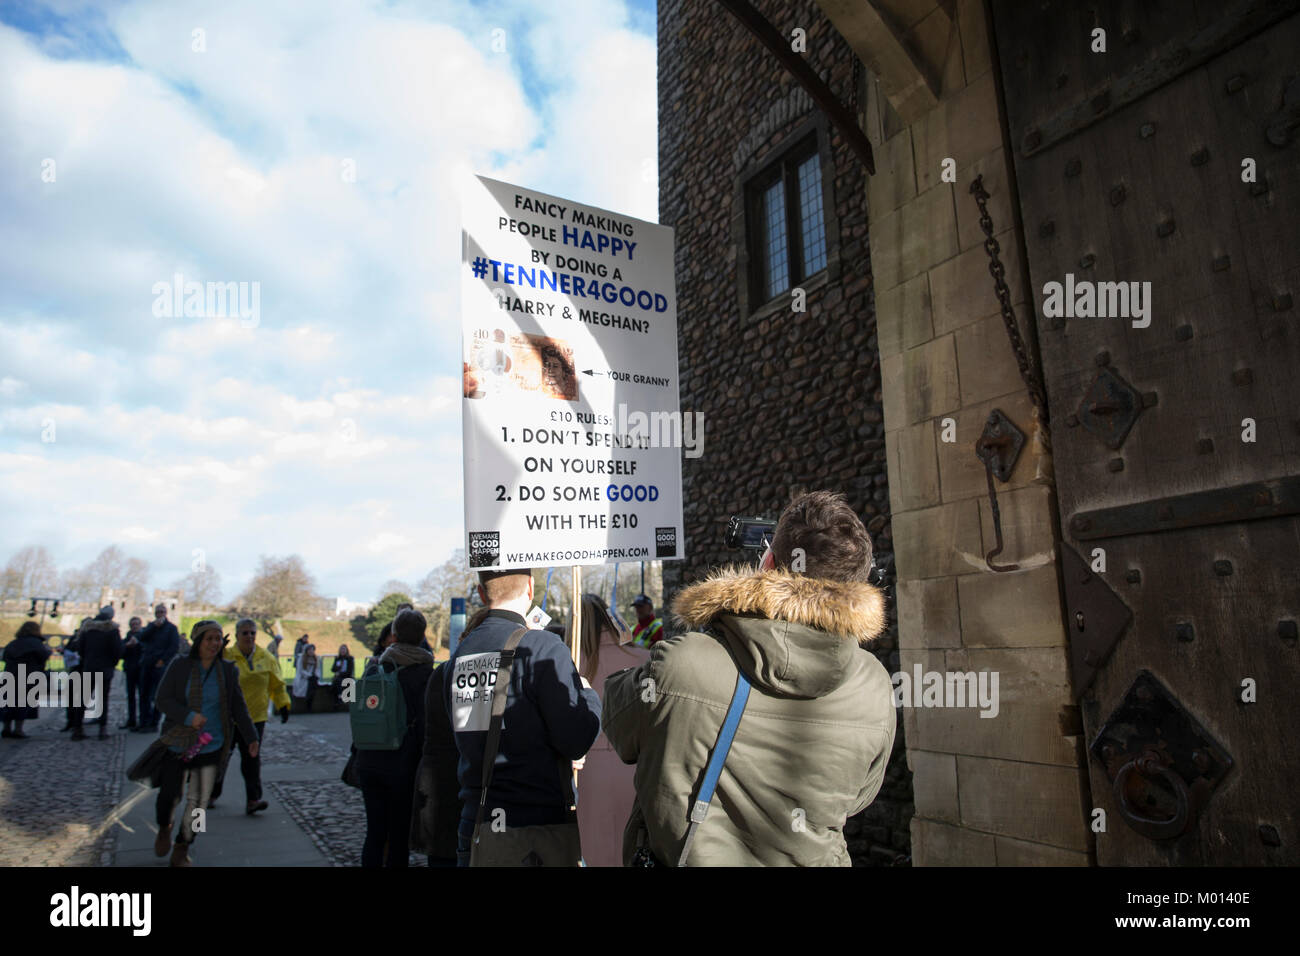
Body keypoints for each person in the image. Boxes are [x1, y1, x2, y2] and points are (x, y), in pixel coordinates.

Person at [604, 490, 896, 866]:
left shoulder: (683, 663)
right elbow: (858, 797)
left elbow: (617, 721)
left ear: (768, 561)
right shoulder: (875, 684)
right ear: (859, 585)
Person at [444, 568, 601, 866]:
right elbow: (576, 740)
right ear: (530, 588)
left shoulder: (460, 655)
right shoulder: (542, 647)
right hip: (534, 831)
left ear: (481, 593)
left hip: (475, 824)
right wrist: (589, 696)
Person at [153, 621, 258, 866]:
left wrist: (251, 736)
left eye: (218, 639)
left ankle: (184, 844)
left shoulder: (228, 670)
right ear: (198, 641)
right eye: (209, 638)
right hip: (178, 740)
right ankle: (164, 826)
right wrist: (189, 717)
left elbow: (237, 707)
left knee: (199, 803)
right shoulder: (180, 666)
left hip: (212, 744)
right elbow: (162, 699)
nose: (214, 643)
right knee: (169, 795)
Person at [574, 593, 649, 867]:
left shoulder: (568, 664)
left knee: (591, 853)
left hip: (585, 771)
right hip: (635, 766)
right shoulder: (644, 658)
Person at [356, 609, 434, 867]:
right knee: (399, 835)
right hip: (403, 763)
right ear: (422, 635)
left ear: (394, 634)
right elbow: (427, 725)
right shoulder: (425, 673)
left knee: (375, 832)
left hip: (370, 758)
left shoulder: (376, 666)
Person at [210, 619, 291, 814]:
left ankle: (253, 799)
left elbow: (277, 684)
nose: (249, 637)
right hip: (228, 718)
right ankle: (211, 793)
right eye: (245, 633)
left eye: (252, 633)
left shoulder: (266, 657)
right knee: (220, 758)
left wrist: (283, 704)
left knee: (252, 759)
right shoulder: (227, 656)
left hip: (255, 717)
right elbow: (209, 674)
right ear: (237, 635)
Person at [69, 605, 123, 740]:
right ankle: (102, 729)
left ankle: (77, 729)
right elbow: (117, 650)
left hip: (89, 667)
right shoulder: (112, 630)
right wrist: (112, 663)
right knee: (103, 699)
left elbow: (80, 648)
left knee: (83, 699)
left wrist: (87, 659)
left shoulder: (88, 629)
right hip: (105, 668)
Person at [2, 621, 51, 739]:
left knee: (8, 702)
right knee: (23, 703)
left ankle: (6, 728)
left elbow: (5, 657)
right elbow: (42, 657)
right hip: (29, 676)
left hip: (11, 674)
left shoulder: (13, 643)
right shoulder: (37, 644)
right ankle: (18, 729)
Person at [137, 603, 181, 732]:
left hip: (160, 665)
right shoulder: (151, 626)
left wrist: (162, 660)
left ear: (166, 613)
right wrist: (152, 627)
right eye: (158, 611)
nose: (160, 613)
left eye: (162, 611)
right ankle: (144, 721)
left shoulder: (172, 628)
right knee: (143, 695)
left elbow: (173, 647)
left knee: (157, 696)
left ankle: (154, 723)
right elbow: (141, 638)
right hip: (147, 663)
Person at [119, 616, 144, 730]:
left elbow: (147, 650)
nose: (134, 626)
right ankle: (131, 720)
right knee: (130, 696)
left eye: (136, 624)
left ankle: (142, 720)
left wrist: (138, 644)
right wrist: (127, 646)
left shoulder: (144, 636)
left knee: (143, 696)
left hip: (141, 669)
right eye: (133, 624)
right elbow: (120, 653)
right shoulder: (128, 637)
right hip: (130, 669)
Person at [292, 644, 321, 711]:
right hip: (303, 677)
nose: (311, 651)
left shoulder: (315, 659)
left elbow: (317, 669)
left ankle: (310, 702)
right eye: (309, 650)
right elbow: (300, 670)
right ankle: (307, 703)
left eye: (312, 650)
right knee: (309, 684)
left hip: (312, 677)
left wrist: (316, 675)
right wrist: (308, 675)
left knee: (313, 682)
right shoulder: (302, 658)